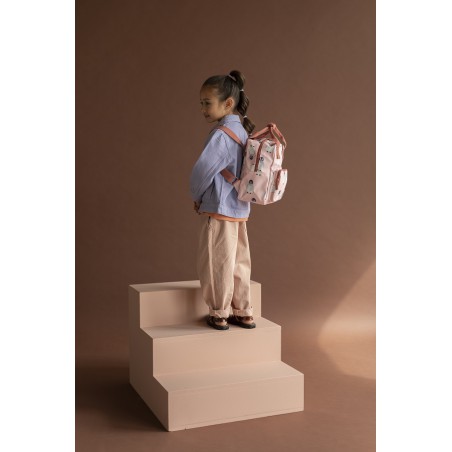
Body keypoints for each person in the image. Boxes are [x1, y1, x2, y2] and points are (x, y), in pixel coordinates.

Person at [190, 70, 257, 331]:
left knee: (217, 261)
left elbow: (202, 170)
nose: (203, 109)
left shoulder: (221, 135)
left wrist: (197, 196)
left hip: (219, 207)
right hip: (240, 208)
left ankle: (219, 313)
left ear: (228, 103)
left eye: (207, 103)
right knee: (240, 262)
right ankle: (244, 311)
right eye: (201, 103)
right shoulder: (242, 131)